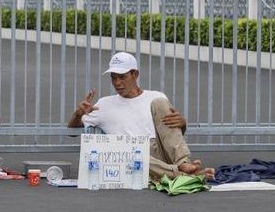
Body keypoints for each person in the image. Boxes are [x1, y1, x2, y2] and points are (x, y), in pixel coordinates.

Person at [68, 51, 214, 182]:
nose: (117, 83)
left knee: (160, 103)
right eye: (113, 78)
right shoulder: (104, 104)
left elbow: (172, 135)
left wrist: (182, 124)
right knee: (130, 154)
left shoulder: (156, 96)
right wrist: (78, 114)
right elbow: (72, 130)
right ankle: (183, 175)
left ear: (135, 74)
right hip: (135, 158)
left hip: (161, 150)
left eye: (122, 77)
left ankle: (183, 163)